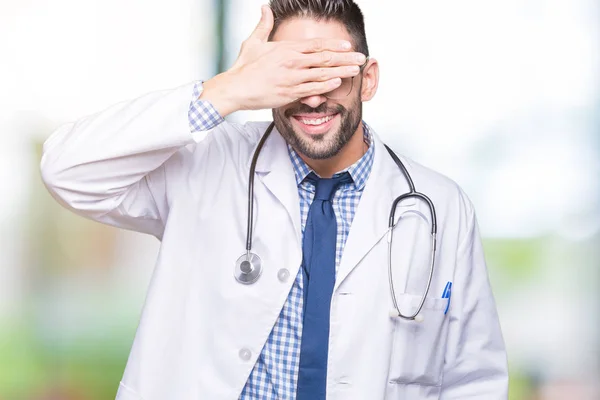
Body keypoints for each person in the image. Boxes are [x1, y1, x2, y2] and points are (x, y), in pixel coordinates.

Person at [40, 0, 508, 399]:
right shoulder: (210, 164)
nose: (312, 98)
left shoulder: (438, 206)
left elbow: (473, 379)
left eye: (330, 74)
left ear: (368, 80)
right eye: (293, 75)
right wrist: (227, 90)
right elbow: (67, 170)